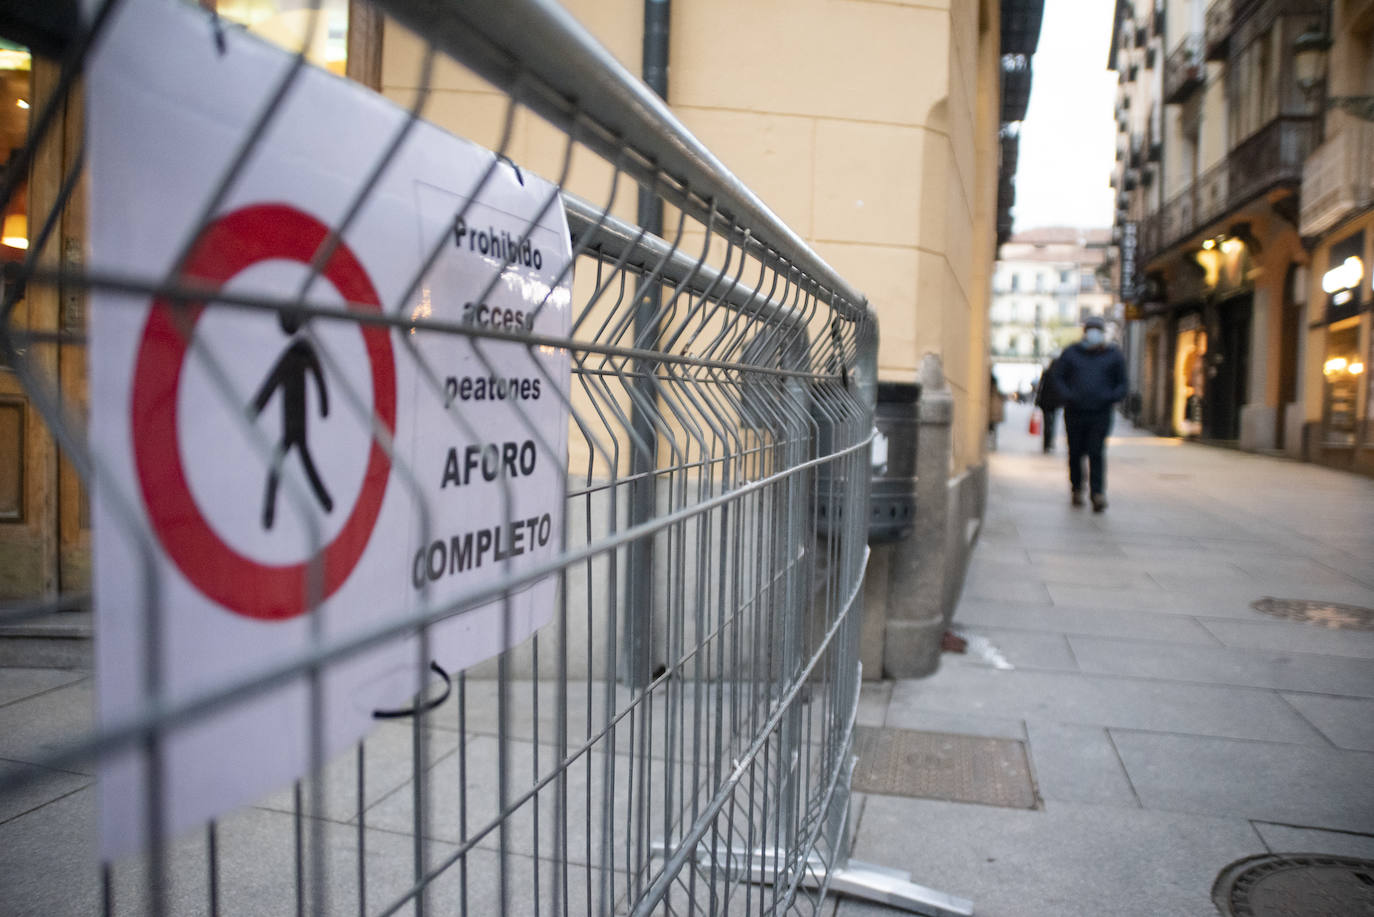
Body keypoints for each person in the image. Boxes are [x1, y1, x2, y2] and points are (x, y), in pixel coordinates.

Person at [1048, 316, 1127, 512]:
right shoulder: (1071, 353)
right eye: (1090, 329)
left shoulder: (1113, 355)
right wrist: (1068, 396)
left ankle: (1098, 493)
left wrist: (1109, 397)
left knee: (1096, 452)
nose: (1094, 333)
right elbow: (1057, 378)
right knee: (1075, 451)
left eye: (1097, 330)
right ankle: (1077, 488)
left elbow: (1122, 383)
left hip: (1100, 412)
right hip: (1075, 410)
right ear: (1085, 332)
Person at [1033, 354, 1063, 454]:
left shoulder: (1046, 373)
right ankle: (1050, 443)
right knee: (1053, 423)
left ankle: (1046, 444)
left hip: (1045, 402)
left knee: (1047, 423)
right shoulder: (1059, 374)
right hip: (1054, 402)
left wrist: (1038, 400)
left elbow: (1040, 388)